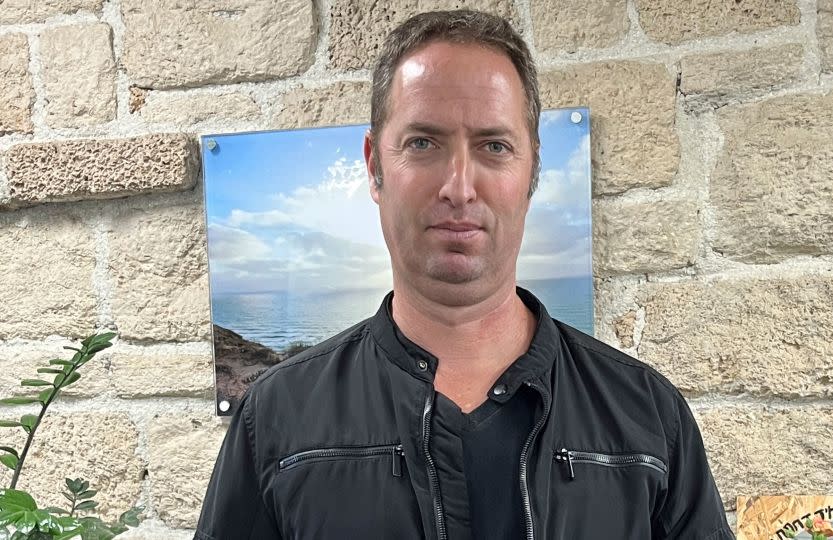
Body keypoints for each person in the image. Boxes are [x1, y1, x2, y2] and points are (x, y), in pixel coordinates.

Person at [195, 9, 733, 540]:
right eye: (423, 143)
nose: (458, 186)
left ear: (532, 170)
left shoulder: (648, 418)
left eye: (493, 146)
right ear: (374, 166)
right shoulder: (277, 419)